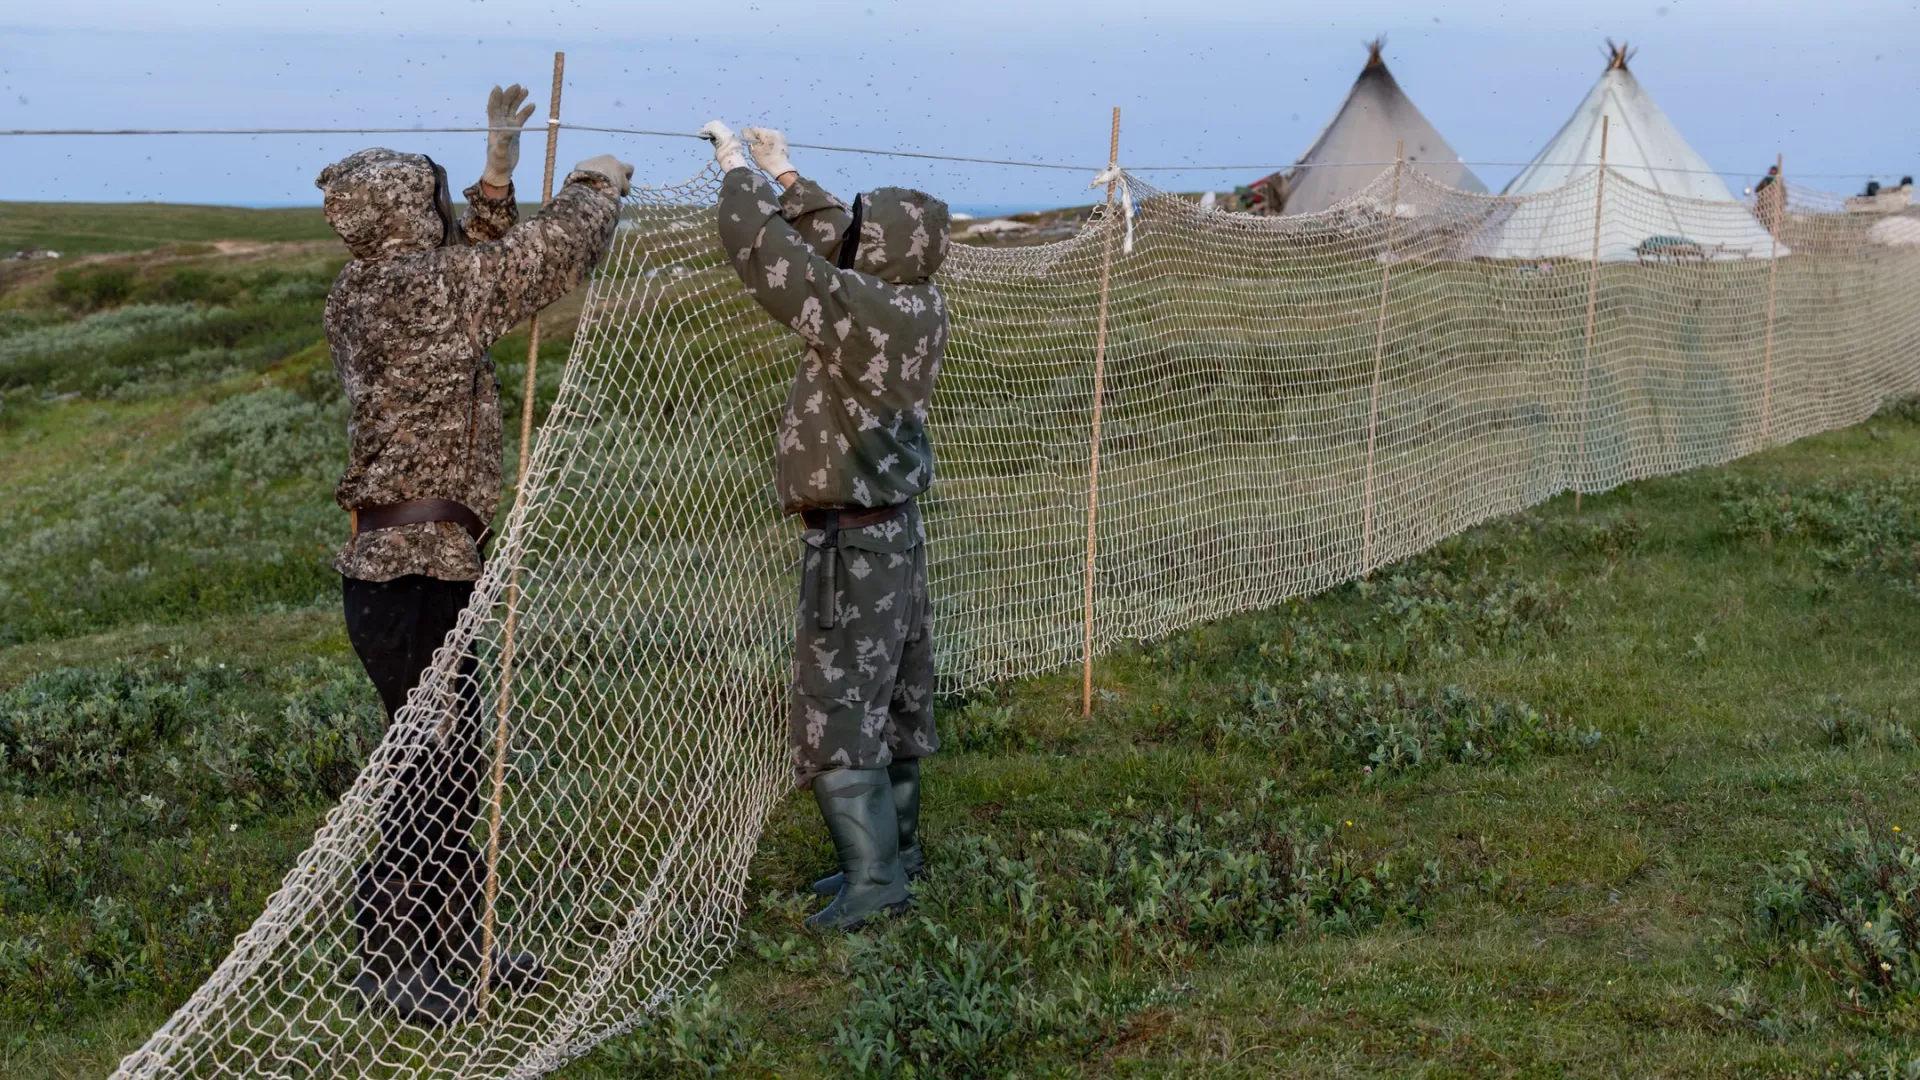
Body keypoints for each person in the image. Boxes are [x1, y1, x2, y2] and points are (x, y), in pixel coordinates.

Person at [317, 82, 632, 1024]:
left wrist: (498, 173)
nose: (448, 211)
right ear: (408, 214)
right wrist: (591, 184)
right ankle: (395, 961)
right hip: (412, 575)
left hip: (417, 567)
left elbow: (475, 266)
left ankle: (459, 941)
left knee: (448, 760)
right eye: (437, 198)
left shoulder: (363, 288)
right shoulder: (427, 290)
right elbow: (545, 260)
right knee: (428, 764)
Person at [700, 119, 949, 931]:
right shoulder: (914, 299)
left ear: (883, 248)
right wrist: (789, 175)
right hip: (896, 534)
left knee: (839, 705)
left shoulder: (857, 307)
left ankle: (874, 881)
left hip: (853, 543)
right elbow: (838, 247)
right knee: (895, 698)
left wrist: (737, 170)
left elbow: (763, 255)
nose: (851, 235)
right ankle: (898, 855)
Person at [1754, 163, 1787, 237]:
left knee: (1772, 224)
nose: (1772, 172)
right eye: (1771, 170)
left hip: (1774, 207)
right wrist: (1764, 193)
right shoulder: (1765, 180)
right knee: (1762, 222)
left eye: (1773, 171)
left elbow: (1784, 195)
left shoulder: (1779, 183)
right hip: (1763, 205)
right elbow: (1757, 190)